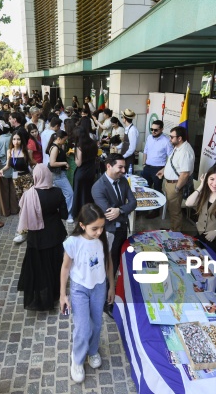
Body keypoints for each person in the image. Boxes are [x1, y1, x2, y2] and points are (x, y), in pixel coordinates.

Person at [60, 203, 115, 383]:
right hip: (79, 289)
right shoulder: (73, 242)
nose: (99, 232)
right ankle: (77, 359)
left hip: (99, 287)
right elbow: (65, 268)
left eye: (101, 227)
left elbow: (108, 262)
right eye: (94, 228)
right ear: (82, 225)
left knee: (97, 324)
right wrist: (63, 294)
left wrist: (111, 286)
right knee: (83, 328)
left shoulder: (104, 238)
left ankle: (92, 351)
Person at [17, 165, 68, 310]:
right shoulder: (57, 192)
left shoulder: (29, 194)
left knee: (39, 266)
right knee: (54, 264)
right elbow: (64, 215)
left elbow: (23, 213)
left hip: (36, 235)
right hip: (55, 234)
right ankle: (55, 291)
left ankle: (41, 291)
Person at [91, 154, 137, 279]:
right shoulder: (98, 187)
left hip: (122, 228)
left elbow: (134, 202)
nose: (124, 171)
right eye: (120, 167)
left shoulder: (122, 180)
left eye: (124, 167)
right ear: (109, 166)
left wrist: (120, 210)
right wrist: (122, 211)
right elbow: (109, 215)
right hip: (109, 231)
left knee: (118, 258)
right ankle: (106, 291)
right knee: (108, 262)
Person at [185, 166, 216, 259]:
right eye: (211, 179)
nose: (215, 183)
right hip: (201, 235)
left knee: (210, 266)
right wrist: (201, 185)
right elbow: (188, 203)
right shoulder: (205, 192)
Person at [0, 131, 36, 244]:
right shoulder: (10, 151)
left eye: (18, 139)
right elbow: (8, 165)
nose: (16, 141)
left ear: (21, 140)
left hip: (26, 178)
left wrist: (40, 169)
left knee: (27, 203)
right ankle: (24, 227)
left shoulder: (26, 151)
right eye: (14, 139)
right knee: (21, 203)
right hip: (16, 178)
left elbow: (33, 163)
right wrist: (2, 170)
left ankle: (25, 229)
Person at [156, 126, 195, 232]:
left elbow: (185, 174)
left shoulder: (185, 152)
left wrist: (177, 188)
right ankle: (173, 229)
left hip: (175, 185)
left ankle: (176, 234)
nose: (170, 139)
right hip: (170, 184)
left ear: (179, 138)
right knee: (172, 210)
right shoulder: (178, 147)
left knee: (175, 212)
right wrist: (164, 170)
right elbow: (173, 163)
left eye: (172, 137)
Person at [141, 120, 172, 218]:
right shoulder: (149, 137)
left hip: (158, 169)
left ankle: (155, 211)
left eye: (156, 130)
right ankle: (144, 208)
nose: (153, 132)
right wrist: (143, 163)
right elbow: (145, 150)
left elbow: (171, 157)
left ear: (162, 129)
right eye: (152, 129)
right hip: (147, 167)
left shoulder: (166, 141)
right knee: (144, 189)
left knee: (157, 190)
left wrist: (164, 169)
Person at [47, 130, 74, 223]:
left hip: (58, 174)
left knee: (63, 194)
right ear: (59, 139)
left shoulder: (56, 146)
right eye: (64, 140)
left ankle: (65, 213)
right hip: (58, 175)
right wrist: (64, 163)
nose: (65, 142)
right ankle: (68, 214)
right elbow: (52, 163)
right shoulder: (55, 148)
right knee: (69, 193)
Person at [0, 121, 19, 217]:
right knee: (13, 189)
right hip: (14, 167)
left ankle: (5, 211)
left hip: (1, 168)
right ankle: (14, 208)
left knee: (3, 190)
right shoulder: (13, 137)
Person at [72, 123, 98, 220]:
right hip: (91, 171)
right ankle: (89, 213)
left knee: (79, 194)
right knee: (88, 193)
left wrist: (74, 157)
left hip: (81, 172)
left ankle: (80, 214)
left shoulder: (80, 146)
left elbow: (78, 163)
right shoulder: (93, 143)